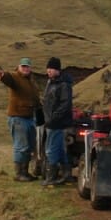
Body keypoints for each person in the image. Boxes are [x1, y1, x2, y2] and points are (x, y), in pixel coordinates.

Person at [0, 57, 40, 181]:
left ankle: (25, 172)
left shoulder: (30, 81)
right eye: (23, 66)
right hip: (18, 117)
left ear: (30, 68)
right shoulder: (15, 77)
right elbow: (7, 78)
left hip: (29, 117)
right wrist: (2, 75)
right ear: (19, 67)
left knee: (29, 146)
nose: (25, 68)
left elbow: (35, 98)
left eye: (27, 66)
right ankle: (19, 174)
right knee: (21, 146)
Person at [41, 56, 73, 187]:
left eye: (51, 68)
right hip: (51, 121)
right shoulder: (51, 82)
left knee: (51, 149)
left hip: (56, 122)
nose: (48, 71)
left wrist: (54, 117)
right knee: (59, 149)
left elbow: (65, 104)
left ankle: (51, 178)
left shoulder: (63, 84)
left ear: (58, 70)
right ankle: (67, 175)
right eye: (48, 68)